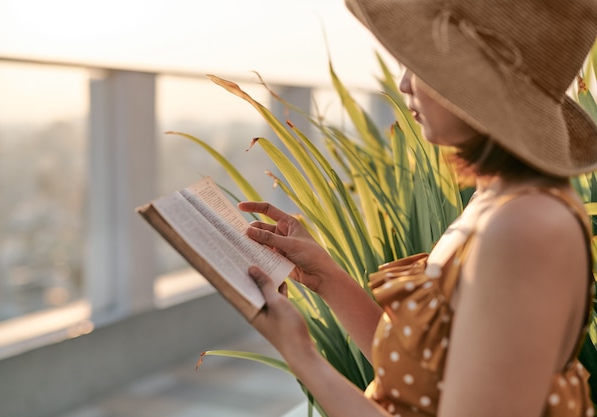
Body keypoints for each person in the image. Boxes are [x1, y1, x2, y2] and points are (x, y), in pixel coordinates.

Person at [237, 0, 597, 416]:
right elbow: (428, 376)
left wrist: (301, 355)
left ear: (479, 86)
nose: (405, 83)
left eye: (424, 65)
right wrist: (328, 279)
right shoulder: (501, 200)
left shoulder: (526, 228)